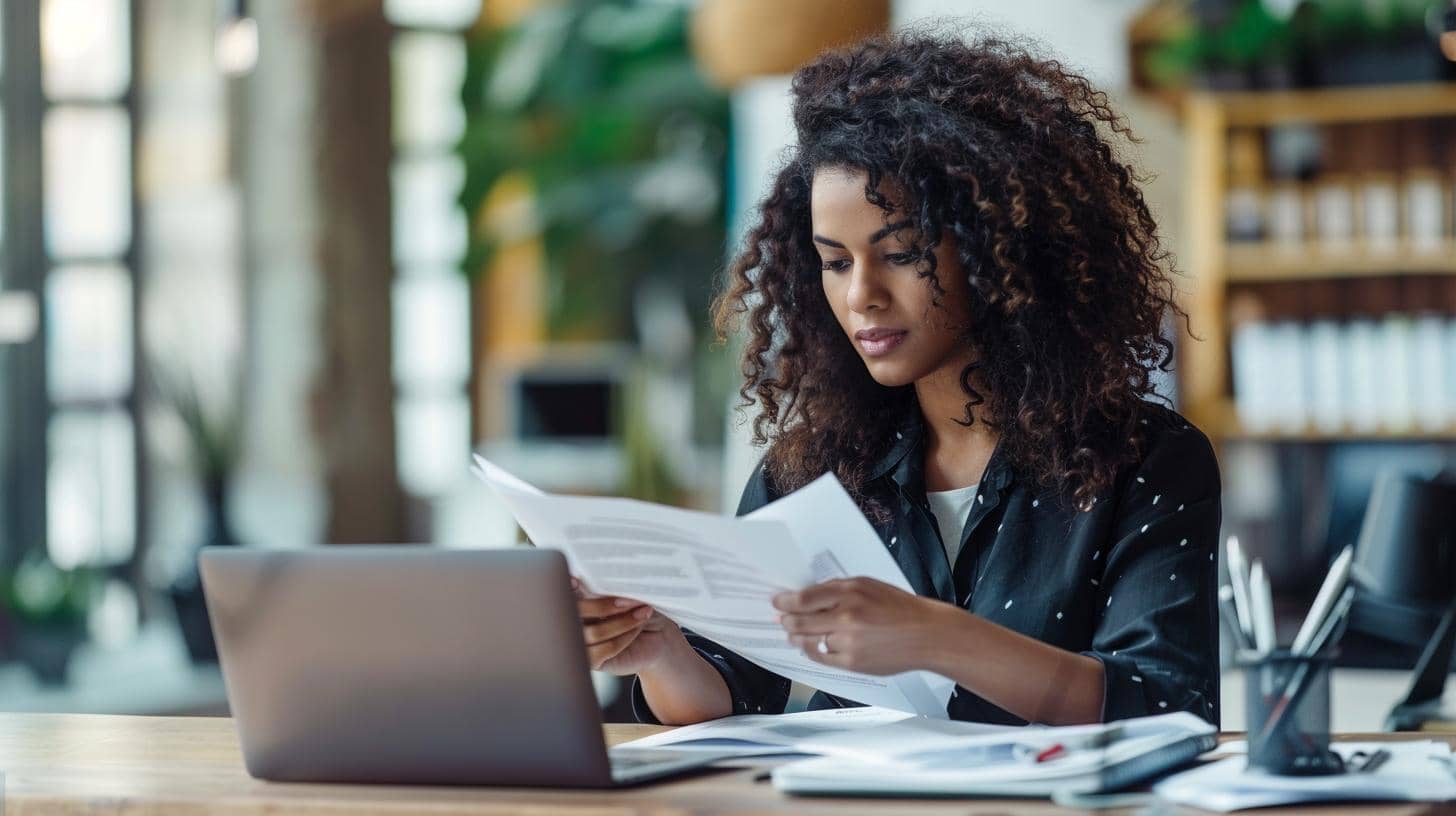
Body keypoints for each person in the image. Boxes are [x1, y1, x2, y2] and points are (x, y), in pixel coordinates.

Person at [572, 29, 1221, 727]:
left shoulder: (1145, 461)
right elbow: (731, 699)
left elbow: (1165, 701)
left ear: (998, 253)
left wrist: (934, 635)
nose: (862, 297)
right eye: (837, 261)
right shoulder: (809, 471)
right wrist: (659, 652)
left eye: (902, 253)